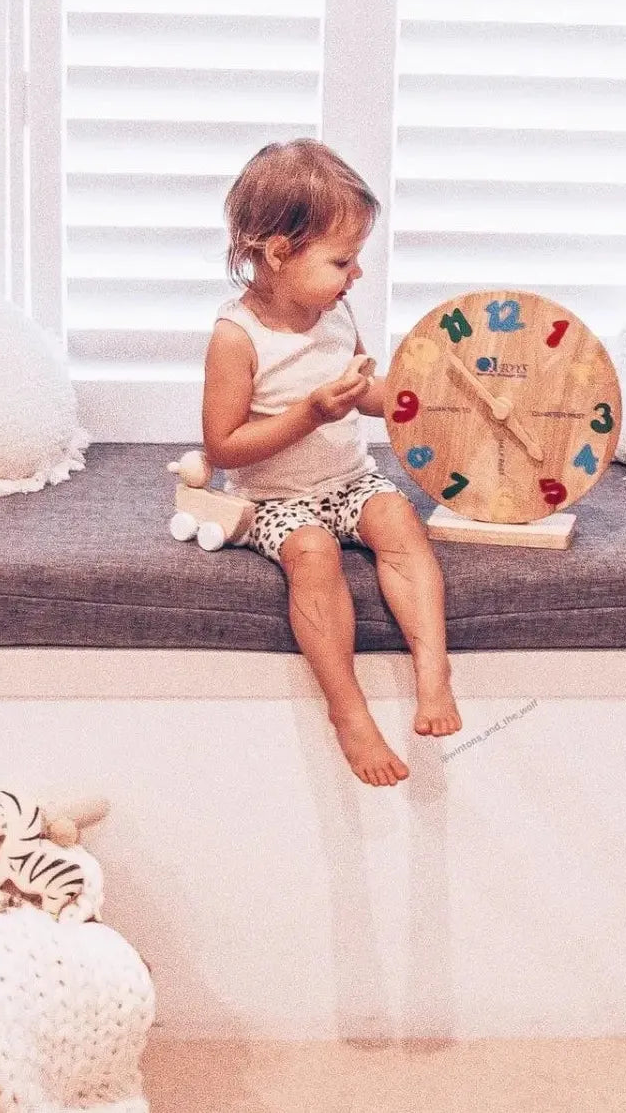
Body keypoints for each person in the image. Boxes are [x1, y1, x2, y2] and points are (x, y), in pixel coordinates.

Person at [202, 139, 461, 787]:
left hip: (349, 479)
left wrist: (406, 401)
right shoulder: (237, 338)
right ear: (279, 254)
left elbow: (362, 389)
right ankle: (348, 711)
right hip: (275, 499)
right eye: (343, 259)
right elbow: (223, 446)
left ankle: (434, 674)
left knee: (399, 517)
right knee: (313, 554)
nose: (357, 274)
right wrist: (310, 414)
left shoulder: (336, 310)